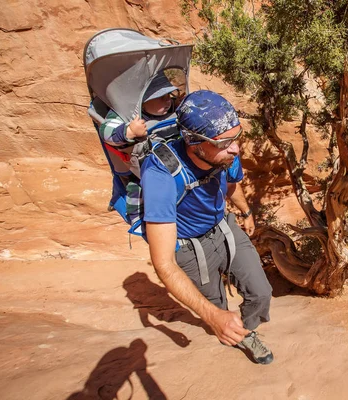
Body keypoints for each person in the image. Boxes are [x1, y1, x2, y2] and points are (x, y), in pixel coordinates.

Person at [140, 90, 274, 365]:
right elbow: (163, 263)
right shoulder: (160, 175)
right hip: (190, 249)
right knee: (215, 306)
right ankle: (234, 333)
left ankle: (244, 330)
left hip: (224, 227)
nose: (235, 149)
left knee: (261, 292)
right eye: (226, 143)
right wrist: (213, 317)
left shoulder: (224, 151)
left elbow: (231, 183)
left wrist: (246, 212)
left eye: (237, 138)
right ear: (194, 142)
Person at [99, 72, 179, 224]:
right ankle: (138, 219)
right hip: (143, 166)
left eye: (169, 95)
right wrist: (129, 131)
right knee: (137, 187)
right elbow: (106, 131)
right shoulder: (127, 114)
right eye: (161, 97)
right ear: (141, 101)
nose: (168, 100)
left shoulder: (172, 109)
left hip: (171, 159)